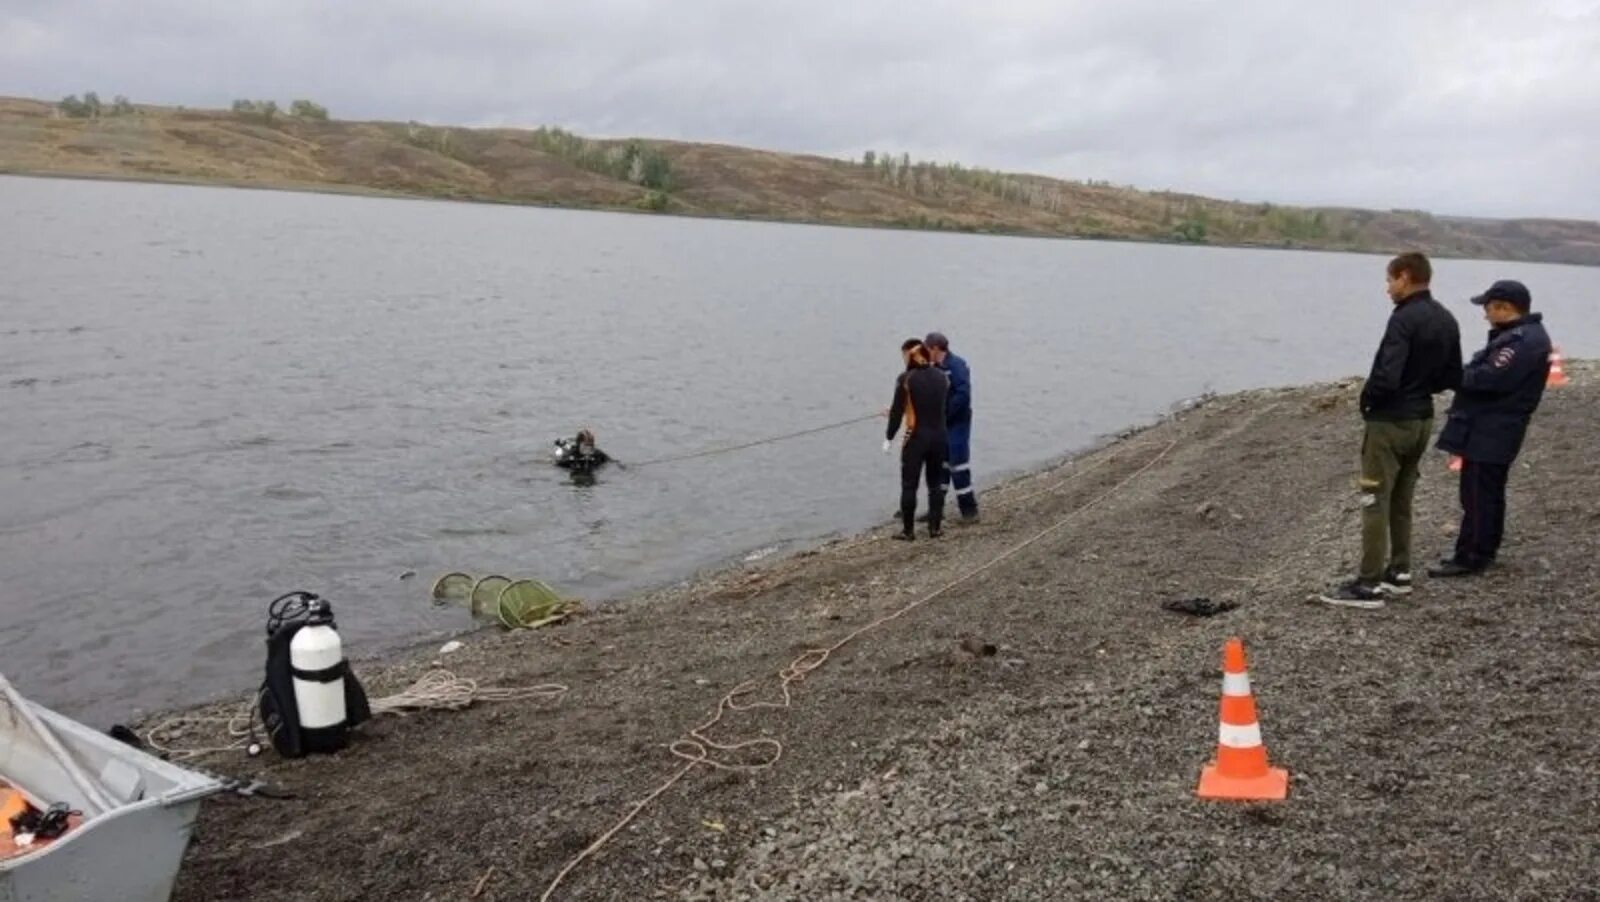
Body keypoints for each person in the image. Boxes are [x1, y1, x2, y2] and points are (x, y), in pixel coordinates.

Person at [1321, 252, 1461, 609]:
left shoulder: (1403, 319)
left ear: (1405, 276)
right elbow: (1452, 376)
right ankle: (1399, 571)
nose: (1387, 289)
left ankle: (1368, 584)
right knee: (1401, 498)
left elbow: (1387, 372)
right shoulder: (1446, 318)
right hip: (1422, 419)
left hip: (1390, 421)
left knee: (1374, 499)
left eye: (1389, 280)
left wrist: (1369, 401)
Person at [1430, 280, 1551, 578]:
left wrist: (1453, 375)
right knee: (1486, 491)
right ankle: (1482, 549)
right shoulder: (1521, 337)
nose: (1485, 315)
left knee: (1478, 493)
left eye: (1488, 308)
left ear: (1504, 308)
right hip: (1494, 428)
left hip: (1492, 430)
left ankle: (1472, 556)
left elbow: (1489, 379)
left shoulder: (1521, 342)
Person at [885, 338, 949, 540]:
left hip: (916, 438)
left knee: (909, 484)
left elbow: (897, 412)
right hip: (939, 436)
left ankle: (908, 531)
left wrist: (889, 437)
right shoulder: (942, 377)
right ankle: (935, 528)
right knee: (935, 483)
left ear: (911, 355)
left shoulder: (906, 379)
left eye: (904, 355)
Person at [924, 331, 979, 523]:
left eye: (926, 349)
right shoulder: (933, 368)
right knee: (940, 465)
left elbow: (963, 395)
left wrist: (945, 415)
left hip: (957, 422)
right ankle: (935, 510)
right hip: (940, 423)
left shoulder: (957, 365)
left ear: (935, 348)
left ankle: (969, 511)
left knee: (958, 464)